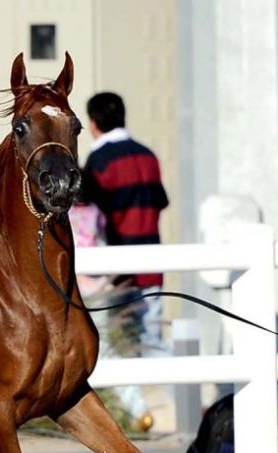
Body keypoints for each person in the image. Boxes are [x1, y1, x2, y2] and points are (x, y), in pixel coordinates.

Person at [78, 91, 169, 432]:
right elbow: (160, 201)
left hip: (114, 273)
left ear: (93, 123)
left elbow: (94, 217)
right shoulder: (149, 156)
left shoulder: (99, 162)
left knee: (110, 347)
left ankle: (138, 414)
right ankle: (192, 407)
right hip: (152, 263)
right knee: (153, 340)